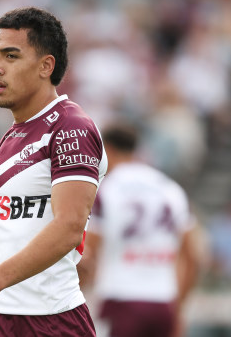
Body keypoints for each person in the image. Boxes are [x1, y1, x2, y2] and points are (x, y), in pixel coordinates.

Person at [0, 7, 107, 336]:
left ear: (46, 66)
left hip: (48, 319)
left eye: (11, 56)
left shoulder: (71, 126)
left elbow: (70, 226)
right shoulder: (14, 133)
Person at [78, 125, 200, 337]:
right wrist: (178, 307)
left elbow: (89, 253)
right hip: (163, 301)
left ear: (107, 150)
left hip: (120, 298)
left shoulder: (107, 190)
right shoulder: (171, 189)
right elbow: (193, 256)